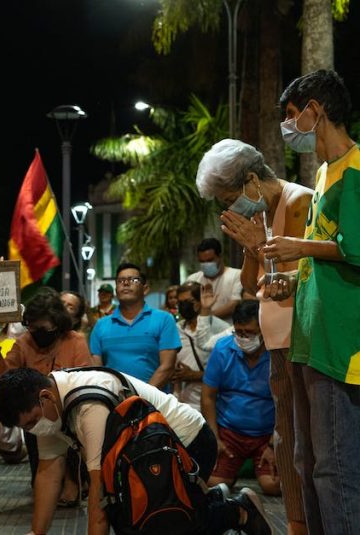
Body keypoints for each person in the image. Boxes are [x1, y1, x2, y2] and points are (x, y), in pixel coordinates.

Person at [0, 367, 273, 535]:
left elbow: (98, 491)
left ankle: (238, 511)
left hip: (188, 440)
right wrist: (37, 532)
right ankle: (212, 501)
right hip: (146, 453)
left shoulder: (89, 407)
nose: (34, 429)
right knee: (138, 518)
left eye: (32, 421)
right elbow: (48, 473)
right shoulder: (50, 404)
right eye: (26, 427)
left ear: (45, 397)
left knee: (165, 523)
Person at [196, 137, 313, 533]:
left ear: (251, 179)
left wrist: (258, 246)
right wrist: (251, 249)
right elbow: (252, 285)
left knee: (307, 450)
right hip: (279, 343)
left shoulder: (298, 201)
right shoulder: (259, 213)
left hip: (305, 343)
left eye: (230, 198)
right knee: (290, 448)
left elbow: (285, 281)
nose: (230, 209)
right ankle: (296, 525)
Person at [266, 69, 360, 534]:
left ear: (315, 111)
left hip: (341, 346)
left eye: (291, 116)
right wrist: (290, 276)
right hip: (311, 341)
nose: (288, 127)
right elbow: (326, 253)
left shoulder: (357, 169)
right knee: (311, 463)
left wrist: (298, 247)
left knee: (336, 471)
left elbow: (355, 247)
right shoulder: (325, 173)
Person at [0, 287, 93, 505]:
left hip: (69, 415)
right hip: (36, 418)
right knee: (40, 483)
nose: (35, 331)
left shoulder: (75, 341)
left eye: (41, 327)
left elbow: (85, 380)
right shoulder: (24, 342)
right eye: (31, 325)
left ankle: (75, 484)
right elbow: (7, 376)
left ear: (57, 324)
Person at [201, 301, 280, 497]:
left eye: (249, 332)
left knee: (273, 486)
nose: (243, 338)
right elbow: (208, 396)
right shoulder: (222, 349)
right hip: (230, 432)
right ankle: (230, 472)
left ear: (263, 330)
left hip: (266, 434)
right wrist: (215, 438)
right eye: (239, 332)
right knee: (215, 484)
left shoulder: (277, 354)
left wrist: (273, 444)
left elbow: (285, 404)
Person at [89, 263, 180, 387]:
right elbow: (97, 370)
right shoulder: (101, 325)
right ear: (116, 290)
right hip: (114, 401)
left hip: (155, 403)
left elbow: (167, 367)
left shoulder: (164, 319)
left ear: (145, 289)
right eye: (121, 280)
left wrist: (141, 400)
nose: (126, 283)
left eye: (133, 280)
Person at [170, 282, 230, 411]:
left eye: (188, 301)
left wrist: (196, 375)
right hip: (185, 404)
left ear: (200, 301)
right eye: (180, 303)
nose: (183, 306)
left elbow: (230, 371)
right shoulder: (177, 329)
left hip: (215, 403)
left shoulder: (221, 328)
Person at [187, 238, 243, 323]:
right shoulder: (192, 279)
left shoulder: (237, 275)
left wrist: (205, 317)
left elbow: (234, 304)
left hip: (227, 328)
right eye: (202, 261)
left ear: (220, 256)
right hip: (199, 330)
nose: (206, 264)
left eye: (210, 260)